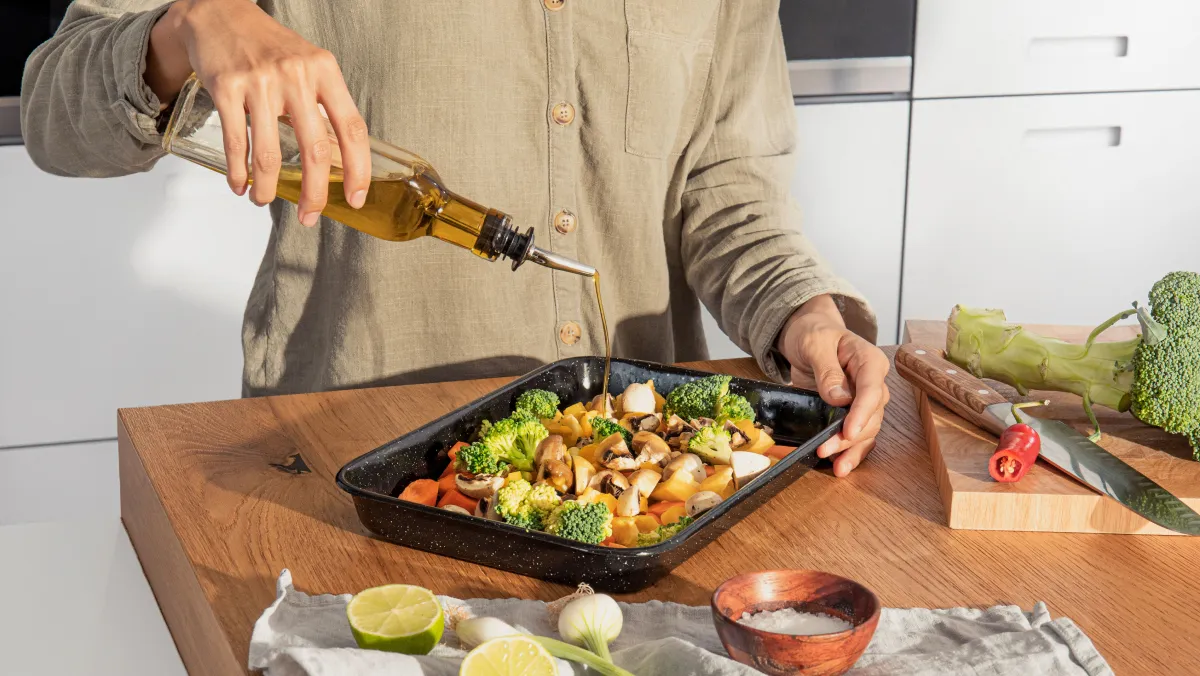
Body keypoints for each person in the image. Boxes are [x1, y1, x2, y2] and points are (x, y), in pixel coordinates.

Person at [22, 0, 890, 476]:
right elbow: (53, 117)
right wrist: (185, 27)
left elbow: (725, 185)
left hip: (631, 484)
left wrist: (802, 317)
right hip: (348, 473)